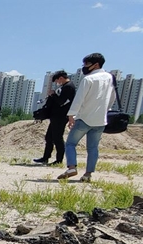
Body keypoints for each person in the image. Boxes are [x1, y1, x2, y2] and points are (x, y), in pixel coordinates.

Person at [58, 53, 115, 182]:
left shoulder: (88, 79)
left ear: (96, 64)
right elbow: (112, 97)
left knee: (71, 143)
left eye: (86, 64)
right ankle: (88, 174)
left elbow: (79, 99)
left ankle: (72, 167)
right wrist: (106, 110)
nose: (84, 67)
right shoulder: (110, 78)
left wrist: (71, 115)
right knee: (93, 147)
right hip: (100, 120)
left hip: (84, 117)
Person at [33, 70, 76, 166]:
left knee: (57, 138)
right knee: (49, 137)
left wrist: (53, 94)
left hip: (61, 116)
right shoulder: (65, 86)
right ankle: (45, 157)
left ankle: (59, 160)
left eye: (57, 81)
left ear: (61, 78)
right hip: (56, 116)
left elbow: (61, 102)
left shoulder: (69, 87)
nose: (57, 83)